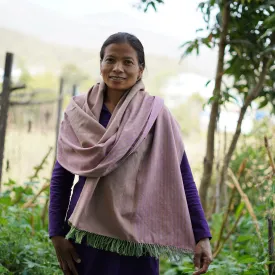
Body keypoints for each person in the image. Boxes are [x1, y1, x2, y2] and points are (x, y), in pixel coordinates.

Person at [49, 32, 212, 275]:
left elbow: (182, 176)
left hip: (138, 239)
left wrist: (202, 235)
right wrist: (56, 233)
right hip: (85, 235)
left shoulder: (155, 115)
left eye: (128, 62)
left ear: (141, 69)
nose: (117, 68)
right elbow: (61, 176)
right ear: (101, 64)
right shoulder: (78, 112)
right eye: (110, 60)